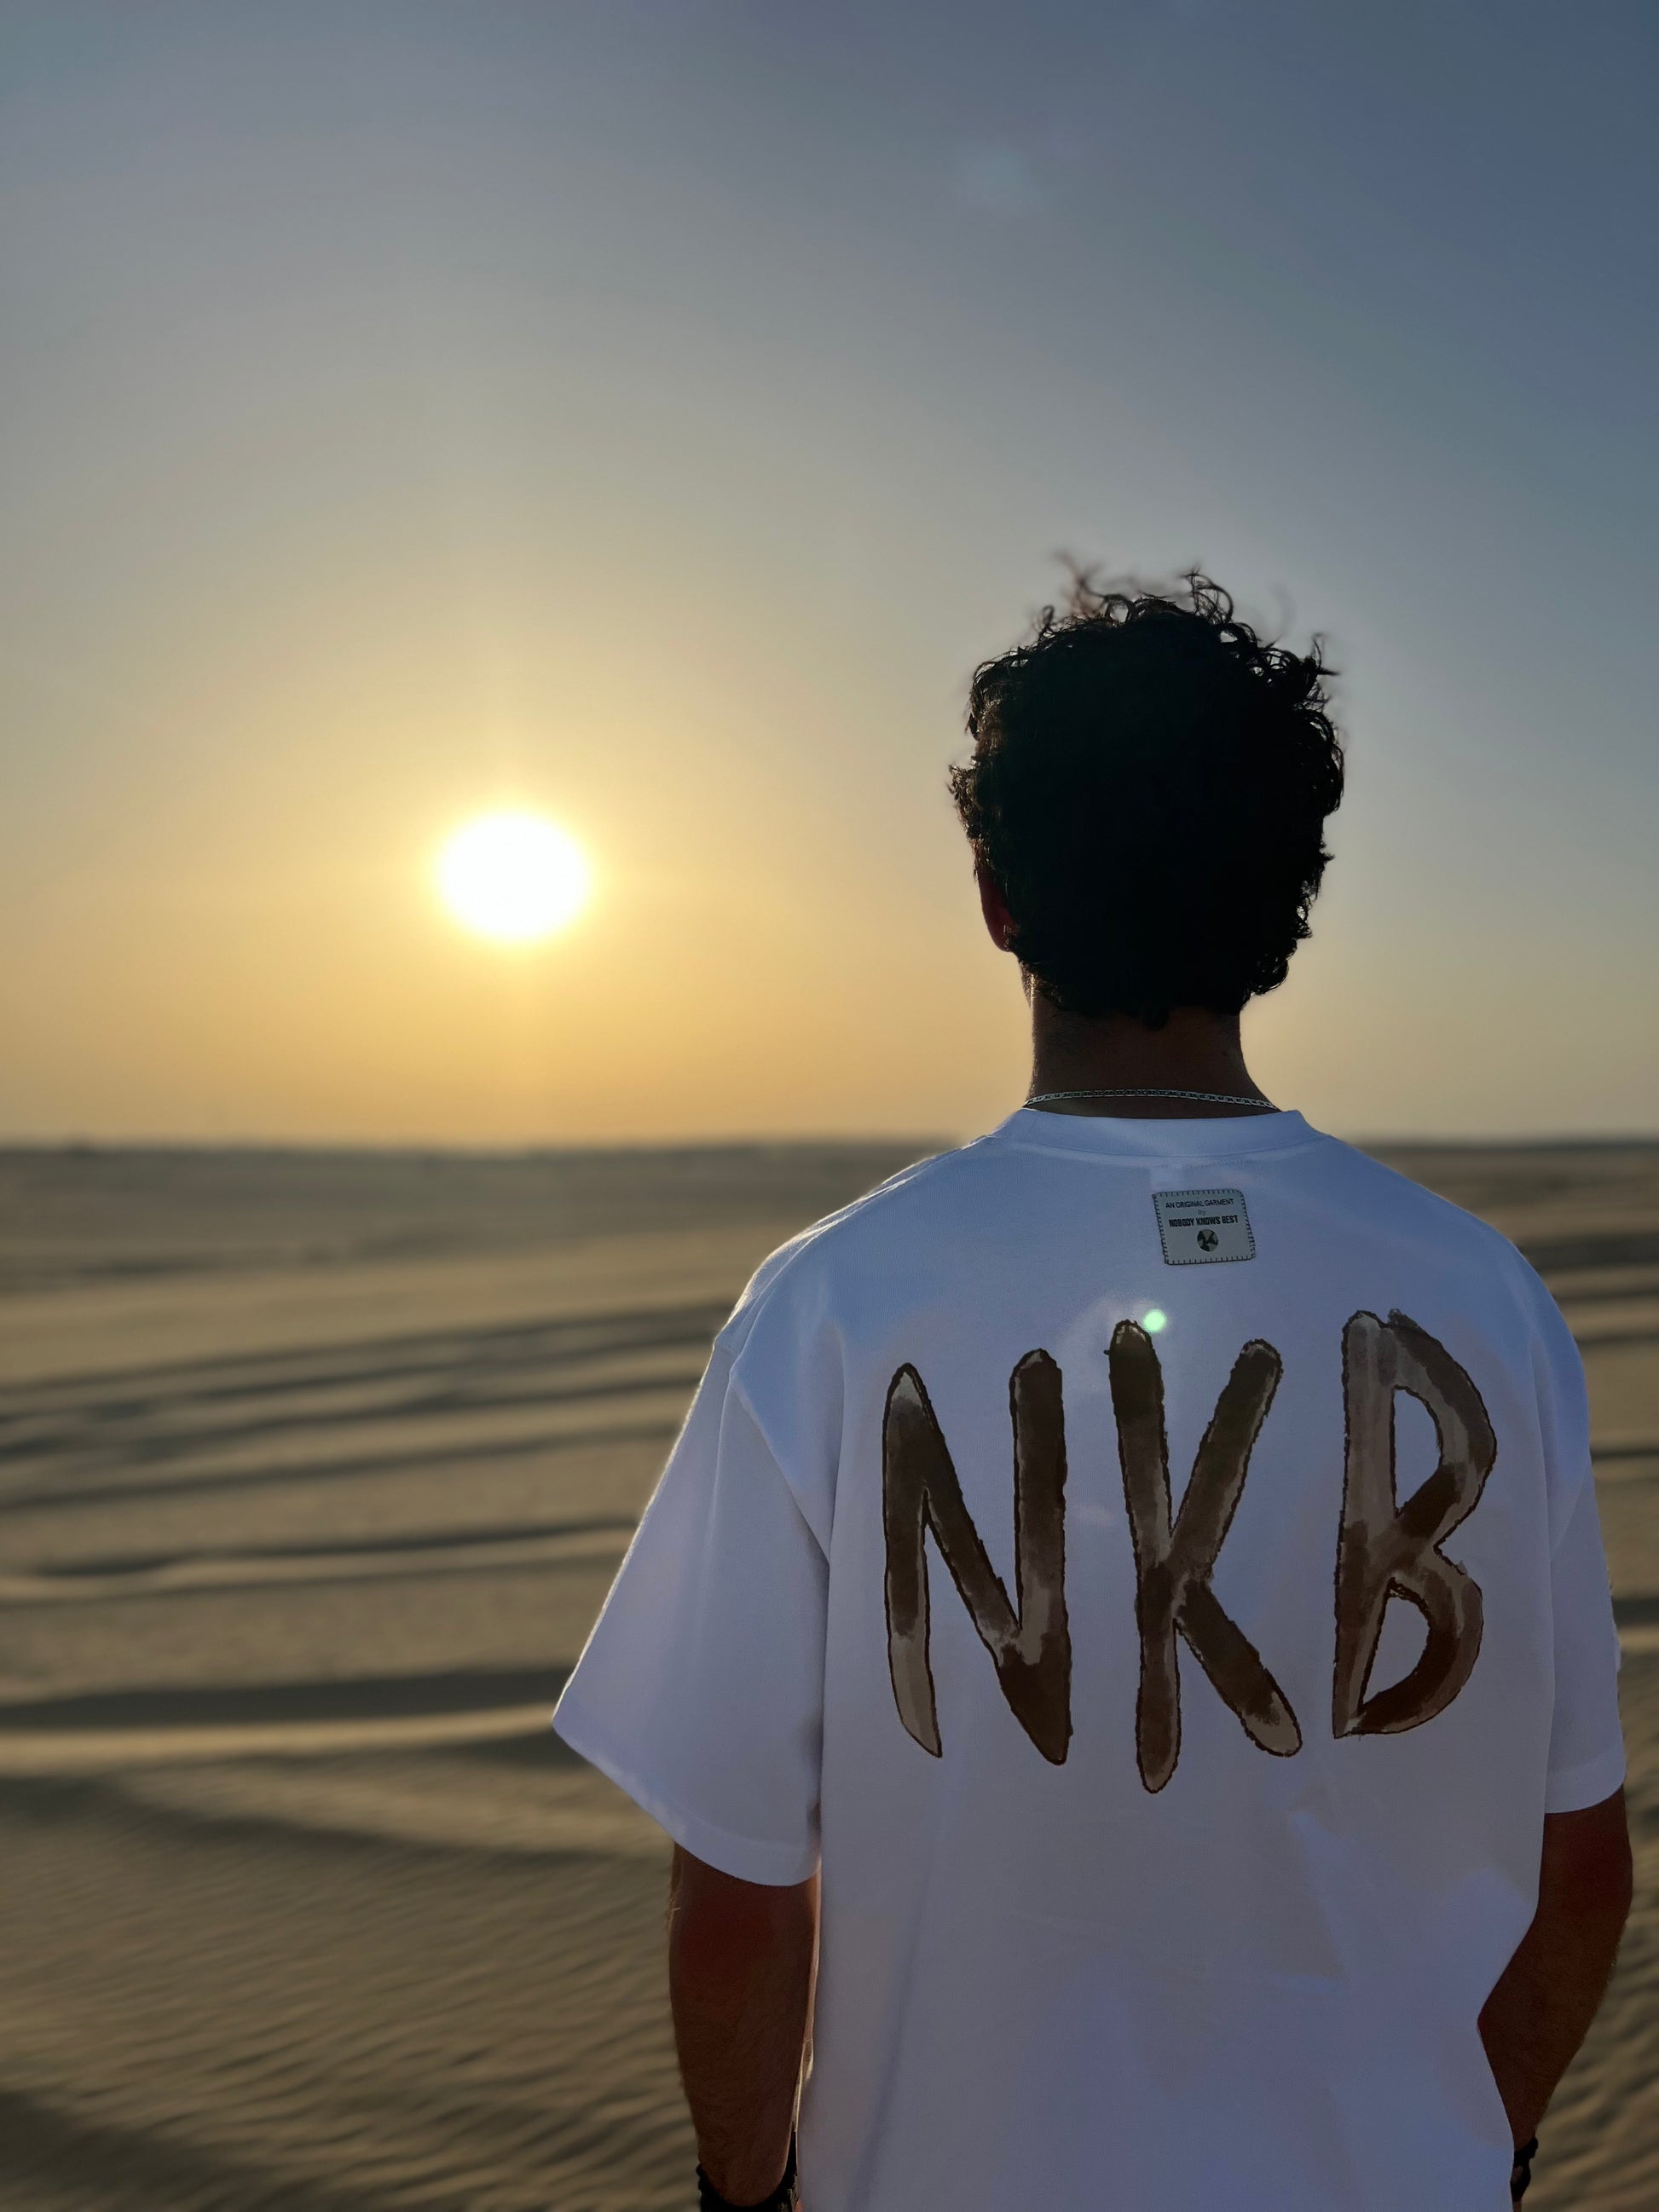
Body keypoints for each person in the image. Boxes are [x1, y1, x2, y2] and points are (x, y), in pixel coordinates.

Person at [552, 572, 1631, 2211]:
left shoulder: (833, 1303)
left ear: (997, 896)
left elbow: (743, 1897)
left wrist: (742, 2194)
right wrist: (1469, 2152)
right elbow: (1580, 1864)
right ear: (1285, 902)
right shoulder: (1489, 1303)